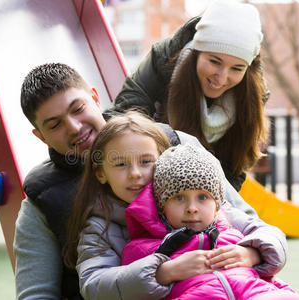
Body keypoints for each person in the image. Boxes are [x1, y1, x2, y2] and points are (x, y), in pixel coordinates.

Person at [14, 63, 264, 299]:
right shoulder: (43, 198)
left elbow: (245, 222)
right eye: (55, 124)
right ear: (41, 137)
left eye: (78, 109)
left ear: (94, 97)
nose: (74, 127)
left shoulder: (177, 145)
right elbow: (37, 293)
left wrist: (252, 253)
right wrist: (164, 271)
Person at [64, 112, 288, 300]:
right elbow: (93, 284)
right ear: (101, 172)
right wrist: (163, 272)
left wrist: (252, 253)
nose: (135, 174)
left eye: (145, 161)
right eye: (121, 164)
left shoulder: (200, 201)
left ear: (163, 160)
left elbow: (266, 232)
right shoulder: (100, 226)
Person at [108, 0, 269, 191]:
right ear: (197, 52)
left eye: (237, 68)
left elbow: (235, 165)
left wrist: (213, 206)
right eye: (214, 61)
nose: (222, 77)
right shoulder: (164, 58)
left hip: (204, 194)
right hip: (147, 175)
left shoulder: (252, 94)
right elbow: (125, 118)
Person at [122, 144, 299, 299]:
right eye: (179, 198)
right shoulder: (146, 248)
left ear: (217, 206)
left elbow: (270, 281)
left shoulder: (234, 236)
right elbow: (133, 286)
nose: (192, 208)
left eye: (202, 197)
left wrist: (252, 254)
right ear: (162, 206)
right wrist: (166, 272)